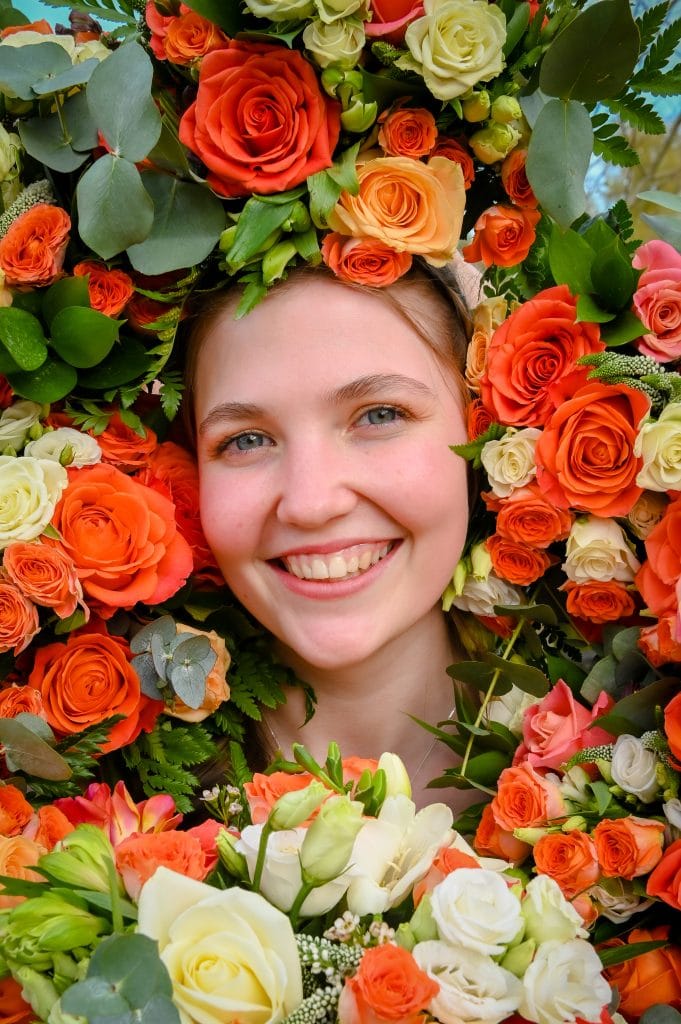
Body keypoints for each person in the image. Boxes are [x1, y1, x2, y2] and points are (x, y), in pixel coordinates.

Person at [185, 260, 477, 808]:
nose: (311, 503)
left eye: (379, 414)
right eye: (246, 440)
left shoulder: (624, 740)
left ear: (483, 430)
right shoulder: (81, 798)